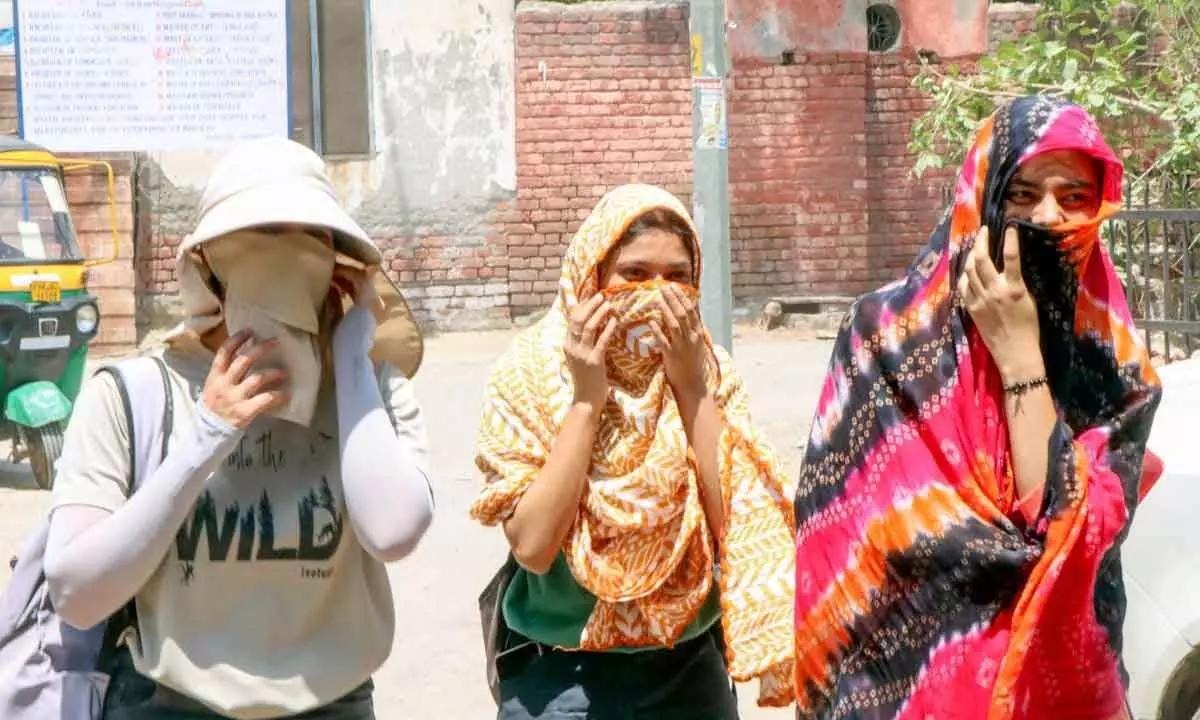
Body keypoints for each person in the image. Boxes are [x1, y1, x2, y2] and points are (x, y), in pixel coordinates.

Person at [792, 96, 1162, 719]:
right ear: (981, 201)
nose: (1048, 217)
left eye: (1074, 197)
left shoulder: (1113, 365)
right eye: (1023, 194)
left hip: (1060, 695)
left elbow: (1068, 530)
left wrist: (1019, 358)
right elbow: (837, 547)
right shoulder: (886, 340)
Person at [42, 138, 434, 719]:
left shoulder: (370, 390)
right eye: (260, 237)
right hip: (171, 704)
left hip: (332, 704)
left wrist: (353, 360)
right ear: (209, 269)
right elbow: (76, 593)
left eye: (308, 240)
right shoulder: (132, 394)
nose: (283, 261)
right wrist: (208, 432)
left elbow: (394, 531)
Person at [471, 184, 796, 718]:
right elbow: (532, 546)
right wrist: (585, 403)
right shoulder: (530, 374)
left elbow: (738, 528)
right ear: (593, 276)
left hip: (688, 673)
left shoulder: (708, 371)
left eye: (677, 277)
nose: (657, 294)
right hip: (561, 681)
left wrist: (690, 389)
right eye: (635, 274)